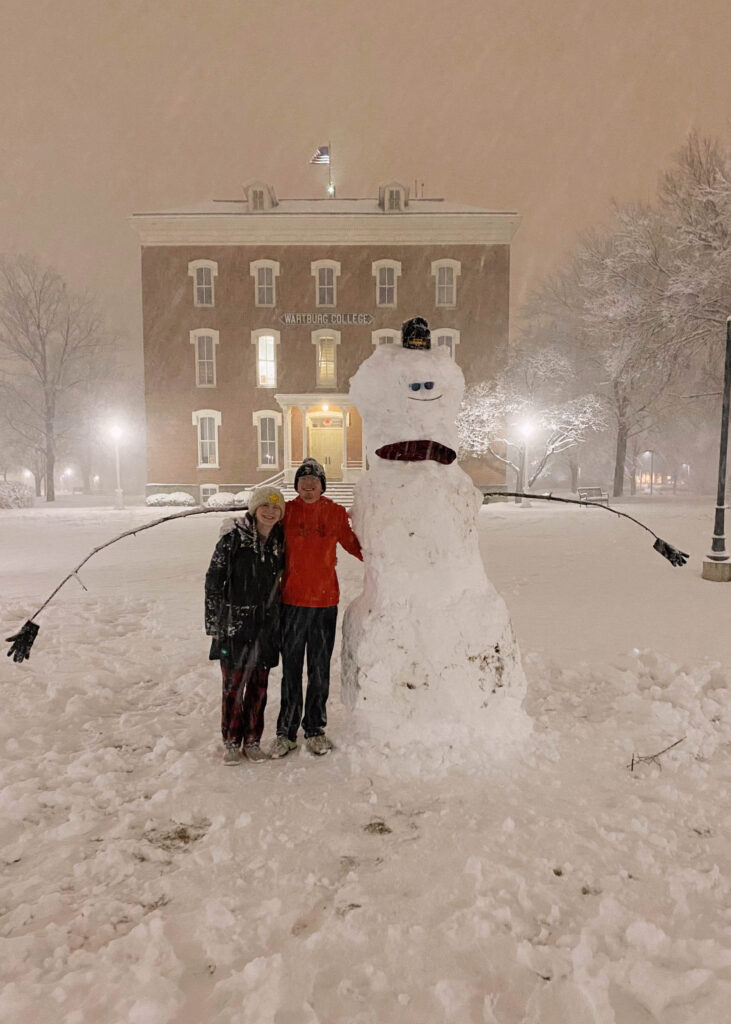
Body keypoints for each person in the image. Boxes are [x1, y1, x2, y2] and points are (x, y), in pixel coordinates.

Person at [271, 458, 362, 758]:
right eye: (303, 483)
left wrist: (386, 555)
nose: (308, 488)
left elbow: (354, 545)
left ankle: (315, 729)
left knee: (320, 670)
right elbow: (262, 533)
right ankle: (286, 733)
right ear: (296, 486)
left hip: (325, 604)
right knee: (292, 670)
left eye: (314, 483)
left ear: (323, 486)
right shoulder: (286, 512)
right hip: (292, 602)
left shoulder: (334, 514)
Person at [205, 486, 285, 765]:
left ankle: (252, 740)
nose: (270, 512)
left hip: (265, 627)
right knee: (233, 687)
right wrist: (213, 622)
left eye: (276, 508)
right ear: (254, 508)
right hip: (234, 625)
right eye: (265, 506)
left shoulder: (280, 540)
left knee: (259, 688)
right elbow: (214, 580)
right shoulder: (233, 538)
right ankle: (231, 741)